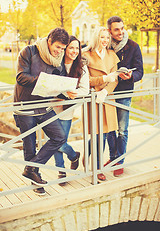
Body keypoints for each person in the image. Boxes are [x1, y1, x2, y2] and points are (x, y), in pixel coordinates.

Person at [13, 27, 69, 195]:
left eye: (62, 49)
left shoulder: (58, 60)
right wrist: (43, 81)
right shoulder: (28, 52)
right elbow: (21, 77)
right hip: (25, 107)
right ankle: (36, 183)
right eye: (58, 47)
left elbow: (60, 83)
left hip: (45, 107)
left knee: (59, 136)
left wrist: (66, 92)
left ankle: (30, 169)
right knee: (30, 147)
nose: (60, 52)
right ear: (49, 41)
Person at [105, 16, 144, 176]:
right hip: (107, 92)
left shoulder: (134, 46)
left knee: (122, 130)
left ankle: (119, 161)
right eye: (116, 29)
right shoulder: (105, 44)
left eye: (122, 28)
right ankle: (113, 157)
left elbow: (140, 71)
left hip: (124, 92)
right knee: (109, 129)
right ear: (109, 31)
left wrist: (131, 76)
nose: (120, 32)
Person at [82, 26, 120, 181]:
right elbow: (85, 80)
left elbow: (115, 78)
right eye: (102, 37)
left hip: (107, 99)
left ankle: (94, 162)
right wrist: (103, 80)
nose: (105, 41)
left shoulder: (112, 54)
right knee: (97, 134)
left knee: (105, 134)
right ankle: (97, 169)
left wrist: (105, 91)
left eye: (107, 38)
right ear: (96, 37)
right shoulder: (86, 55)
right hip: (93, 99)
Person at [53, 35, 89, 185]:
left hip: (67, 110)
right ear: (65, 48)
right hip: (52, 107)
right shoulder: (55, 63)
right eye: (71, 48)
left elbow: (85, 90)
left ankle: (73, 156)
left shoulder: (81, 67)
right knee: (53, 141)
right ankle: (61, 170)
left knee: (60, 142)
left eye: (77, 48)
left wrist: (70, 95)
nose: (74, 51)